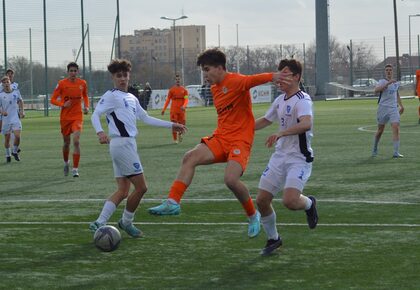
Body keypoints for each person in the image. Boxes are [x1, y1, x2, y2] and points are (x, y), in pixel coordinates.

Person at [148, 48, 288, 238]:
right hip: (221, 138)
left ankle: (252, 214)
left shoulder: (237, 81)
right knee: (189, 157)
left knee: (230, 180)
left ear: (220, 67)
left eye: (207, 69)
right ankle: (173, 202)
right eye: (203, 71)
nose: (204, 74)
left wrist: (275, 76)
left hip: (240, 140)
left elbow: (255, 79)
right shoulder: (214, 88)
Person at [89, 58, 186, 237]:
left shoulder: (131, 97)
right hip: (122, 144)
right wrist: (100, 132)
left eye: (125, 75)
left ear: (129, 75)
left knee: (123, 190)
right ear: (113, 78)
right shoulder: (111, 95)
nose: (122, 79)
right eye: (118, 76)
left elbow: (146, 118)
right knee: (141, 188)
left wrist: (172, 124)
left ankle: (99, 221)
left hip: (127, 145)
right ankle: (126, 221)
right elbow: (95, 114)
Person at [254, 59, 318, 256]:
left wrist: (281, 133)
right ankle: (274, 238)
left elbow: (306, 124)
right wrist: (240, 129)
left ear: (297, 77)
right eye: (279, 74)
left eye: (286, 74)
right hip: (280, 156)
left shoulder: (303, 99)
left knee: (290, 202)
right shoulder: (279, 100)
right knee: (262, 200)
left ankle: (309, 204)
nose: (280, 78)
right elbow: (266, 120)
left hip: (299, 158)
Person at [50, 62, 89, 177]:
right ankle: (66, 163)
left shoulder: (82, 83)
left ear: (78, 72)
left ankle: (75, 169)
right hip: (65, 118)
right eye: (71, 71)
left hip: (77, 116)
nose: (73, 73)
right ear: (68, 72)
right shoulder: (61, 84)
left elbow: (85, 96)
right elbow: (52, 99)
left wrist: (86, 106)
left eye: (75, 71)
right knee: (66, 143)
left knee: (76, 141)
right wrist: (63, 104)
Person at [371, 64, 404, 158]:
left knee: (396, 127)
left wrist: (401, 106)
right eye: (387, 70)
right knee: (380, 130)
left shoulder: (396, 83)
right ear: (385, 72)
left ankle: (396, 152)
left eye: (390, 70)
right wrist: (387, 84)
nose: (389, 71)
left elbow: (396, 94)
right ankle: (375, 149)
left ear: (392, 71)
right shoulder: (381, 82)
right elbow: (376, 90)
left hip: (393, 108)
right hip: (383, 108)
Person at [0, 76, 25, 163]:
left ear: (10, 82)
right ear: (2, 85)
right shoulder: (1, 95)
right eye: (4, 83)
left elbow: (21, 101)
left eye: (7, 82)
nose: (6, 84)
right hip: (6, 120)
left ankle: (14, 151)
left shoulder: (16, 92)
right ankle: (8, 155)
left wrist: (22, 111)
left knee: (17, 136)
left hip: (15, 118)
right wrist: (2, 111)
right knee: (7, 139)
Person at [161, 74, 189, 143]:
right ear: (174, 81)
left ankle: (180, 134)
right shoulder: (172, 90)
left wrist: (184, 106)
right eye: (176, 80)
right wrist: (164, 109)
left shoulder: (184, 90)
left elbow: (186, 99)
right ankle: (175, 139)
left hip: (181, 110)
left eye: (179, 79)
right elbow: (168, 100)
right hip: (174, 110)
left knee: (182, 125)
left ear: (181, 80)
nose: (178, 81)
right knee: (174, 124)